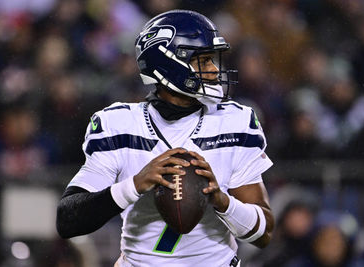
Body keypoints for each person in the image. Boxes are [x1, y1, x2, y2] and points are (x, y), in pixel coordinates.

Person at [56, 10, 274, 267]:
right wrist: (135, 185)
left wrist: (222, 201)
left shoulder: (233, 122)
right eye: (203, 61)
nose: (215, 70)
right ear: (169, 64)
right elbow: (68, 219)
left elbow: (264, 234)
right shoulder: (119, 125)